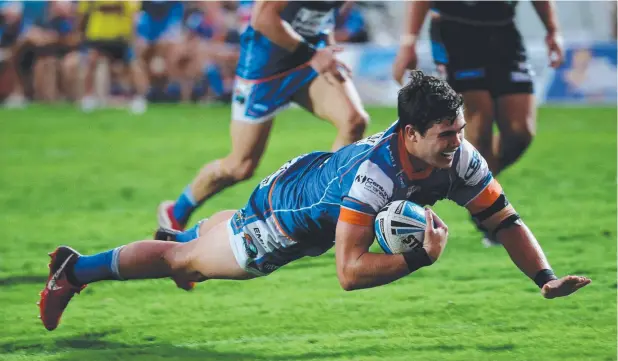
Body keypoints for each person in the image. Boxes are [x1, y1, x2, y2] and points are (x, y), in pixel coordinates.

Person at [38, 71, 590, 331]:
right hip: (284, 218)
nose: (459, 142)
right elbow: (347, 274)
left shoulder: (456, 157)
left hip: (305, 184)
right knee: (180, 264)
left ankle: (194, 237)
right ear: (411, 133)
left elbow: (505, 218)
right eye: (446, 134)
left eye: (460, 130)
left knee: (197, 250)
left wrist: (544, 277)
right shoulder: (374, 179)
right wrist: (418, 258)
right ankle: (75, 270)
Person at [156, 1, 369, 233]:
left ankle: (325, 208)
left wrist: (328, 48)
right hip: (265, 66)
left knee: (353, 121)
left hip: (309, 61)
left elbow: (321, 13)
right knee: (240, 166)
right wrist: (313, 53)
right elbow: (263, 18)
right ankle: (176, 212)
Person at [392, 0, 564, 246]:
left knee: (520, 133)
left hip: (503, 32)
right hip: (455, 33)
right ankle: (489, 212)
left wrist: (553, 30)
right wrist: (409, 42)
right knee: (478, 124)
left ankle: (470, 186)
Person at [77, 1, 148, 113]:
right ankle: (88, 98)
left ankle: (140, 98)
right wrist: (79, 34)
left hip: (121, 36)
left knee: (133, 64)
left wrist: (134, 39)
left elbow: (133, 14)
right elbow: (82, 13)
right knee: (91, 62)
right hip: (97, 34)